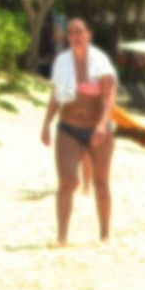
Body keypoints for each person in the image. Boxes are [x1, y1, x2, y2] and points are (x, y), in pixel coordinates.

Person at [39, 17, 117, 246]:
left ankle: (104, 234)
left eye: (80, 31)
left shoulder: (101, 62)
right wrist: (46, 124)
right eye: (71, 32)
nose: (76, 36)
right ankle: (62, 237)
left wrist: (103, 124)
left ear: (88, 34)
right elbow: (56, 96)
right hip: (69, 127)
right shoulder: (62, 62)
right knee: (66, 181)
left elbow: (109, 96)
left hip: (97, 127)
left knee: (101, 183)